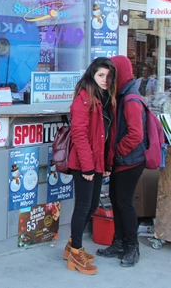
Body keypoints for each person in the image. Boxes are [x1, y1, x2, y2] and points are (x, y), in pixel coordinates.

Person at [64, 57, 117, 275]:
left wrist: (104, 164)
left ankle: (71, 245)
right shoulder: (84, 98)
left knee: (93, 204)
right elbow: (79, 134)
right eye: (100, 75)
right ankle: (76, 253)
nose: (105, 80)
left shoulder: (103, 98)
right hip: (84, 164)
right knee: (83, 206)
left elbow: (103, 136)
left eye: (108, 76)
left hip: (96, 162)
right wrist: (87, 167)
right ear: (92, 75)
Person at [96, 55, 146, 267]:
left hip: (130, 161)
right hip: (123, 160)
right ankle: (118, 242)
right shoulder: (122, 95)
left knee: (124, 203)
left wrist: (117, 153)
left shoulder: (131, 99)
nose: (107, 80)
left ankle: (132, 247)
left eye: (110, 75)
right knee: (117, 201)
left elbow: (136, 135)